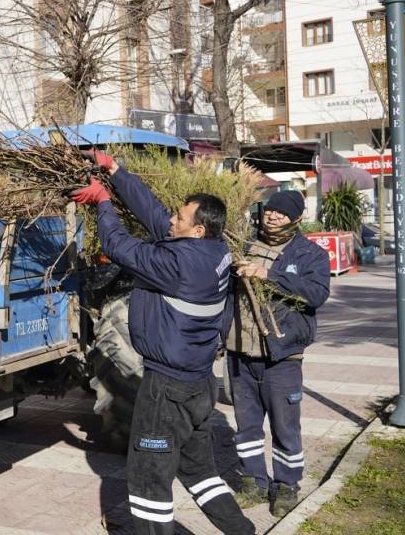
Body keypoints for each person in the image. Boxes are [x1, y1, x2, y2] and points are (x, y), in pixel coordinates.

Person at [71, 152, 254, 535]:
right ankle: (244, 532)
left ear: (197, 229)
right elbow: (155, 216)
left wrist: (103, 203)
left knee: (148, 482)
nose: (172, 219)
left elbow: (119, 245)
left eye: (180, 218)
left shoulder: (174, 264)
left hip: (167, 391)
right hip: (199, 384)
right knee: (201, 472)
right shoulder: (214, 252)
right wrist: (117, 172)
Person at [228, 190, 330, 517]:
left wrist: (269, 275)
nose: (272, 216)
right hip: (240, 352)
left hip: (281, 355)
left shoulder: (309, 254)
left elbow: (316, 294)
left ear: (296, 219)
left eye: (281, 213)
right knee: (246, 425)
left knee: (285, 426)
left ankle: (286, 485)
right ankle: (253, 482)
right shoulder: (243, 247)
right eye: (269, 210)